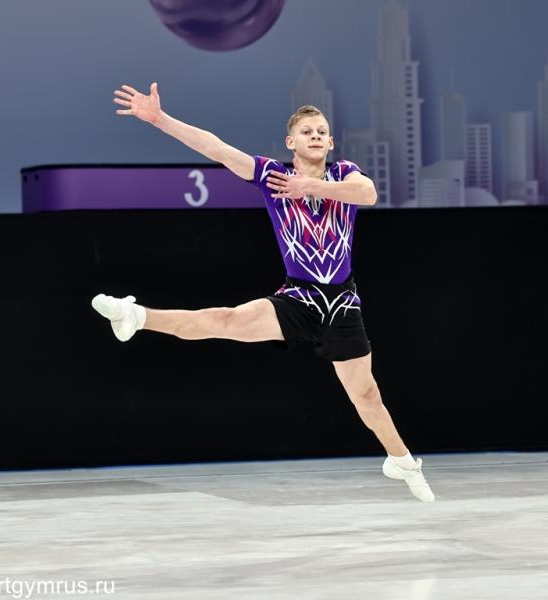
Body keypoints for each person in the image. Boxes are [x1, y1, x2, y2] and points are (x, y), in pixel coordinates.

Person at [92, 82, 435, 502]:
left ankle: (402, 461)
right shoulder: (273, 176)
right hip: (298, 299)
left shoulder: (344, 173)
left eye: (321, 131)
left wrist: (312, 188)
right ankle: (138, 316)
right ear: (291, 142)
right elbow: (217, 149)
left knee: (367, 397)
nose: (315, 136)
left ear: (331, 142)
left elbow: (369, 194)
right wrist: (161, 119)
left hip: (342, 304)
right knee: (224, 320)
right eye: (306, 131)